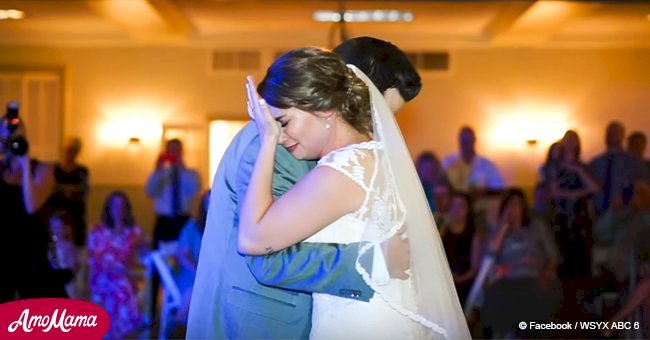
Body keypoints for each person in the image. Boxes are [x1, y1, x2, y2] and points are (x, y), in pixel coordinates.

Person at [187, 37, 465, 339]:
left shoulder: (348, 160)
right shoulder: (286, 145)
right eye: (377, 109)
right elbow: (265, 257)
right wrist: (374, 262)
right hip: (266, 318)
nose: (378, 123)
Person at [0, 113, 68, 302]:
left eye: (16, 135)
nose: (11, 140)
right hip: (4, 250)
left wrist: (24, 163)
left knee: (35, 309)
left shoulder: (43, 169)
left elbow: (31, 206)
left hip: (32, 249)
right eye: (6, 136)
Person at [145, 138, 201, 321]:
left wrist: (181, 168)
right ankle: (152, 312)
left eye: (177, 150)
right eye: (171, 150)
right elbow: (149, 191)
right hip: (164, 222)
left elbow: (194, 190)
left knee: (184, 263)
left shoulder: (190, 173)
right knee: (156, 265)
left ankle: (183, 305)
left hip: (183, 222)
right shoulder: (161, 173)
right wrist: (159, 169)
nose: (174, 154)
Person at [88, 191, 147, 339]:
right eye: (114, 206)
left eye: (122, 206)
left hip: (126, 276)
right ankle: (122, 331)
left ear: (127, 209)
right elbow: (92, 259)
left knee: (123, 287)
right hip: (102, 277)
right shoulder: (98, 231)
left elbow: (145, 257)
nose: (118, 209)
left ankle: (115, 333)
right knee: (120, 288)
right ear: (108, 208)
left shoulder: (134, 232)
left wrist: (143, 245)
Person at [442, 126, 505, 195]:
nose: (466, 145)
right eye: (463, 142)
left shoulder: (487, 166)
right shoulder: (448, 162)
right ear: (459, 141)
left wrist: (484, 191)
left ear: (474, 141)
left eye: (468, 141)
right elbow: (440, 186)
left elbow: (499, 188)